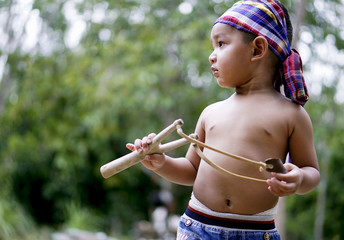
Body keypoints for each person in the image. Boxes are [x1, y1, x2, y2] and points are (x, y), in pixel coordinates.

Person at [126, 0, 320, 239]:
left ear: (257, 49)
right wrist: (162, 163)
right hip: (198, 228)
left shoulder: (292, 115)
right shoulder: (212, 113)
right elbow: (193, 170)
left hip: (257, 233)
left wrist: (299, 178)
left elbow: (311, 171)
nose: (211, 56)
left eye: (221, 44)